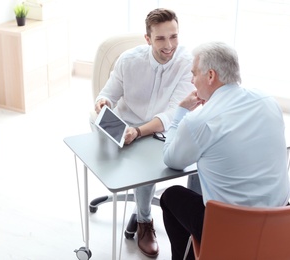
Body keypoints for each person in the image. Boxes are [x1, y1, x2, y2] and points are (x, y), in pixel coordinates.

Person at [160, 41, 290, 260]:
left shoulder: (198, 121)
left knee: (171, 196)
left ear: (210, 75)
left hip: (232, 232)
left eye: (194, 74)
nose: (192, 81)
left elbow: (172, 159)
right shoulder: (268, 100)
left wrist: (181, 113)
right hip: (282, 225)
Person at [93, 8, 195, 258]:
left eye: (174, 36)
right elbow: (107, 93)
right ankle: (141, 211)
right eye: (160, 38)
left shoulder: (186, 63)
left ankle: (144, 221)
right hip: (125, 125)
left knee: (148, 170)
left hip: (159, 130)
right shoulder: (129, 60)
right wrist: (103, 102)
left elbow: (173, 113)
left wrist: (138, 132)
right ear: (148, 38)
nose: (169, 45)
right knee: (99, 130)